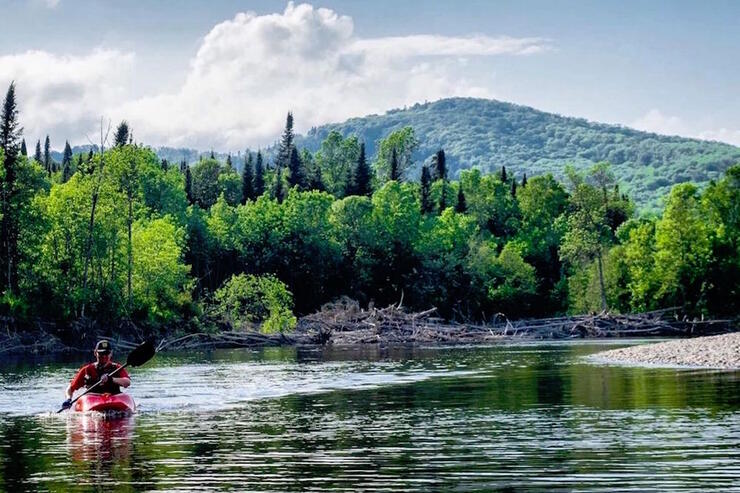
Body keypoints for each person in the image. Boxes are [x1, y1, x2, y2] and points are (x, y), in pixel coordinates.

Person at [61, 340, 131, 410]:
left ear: (111, 354)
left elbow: (127, 382)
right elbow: (70, 388)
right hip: (92, 399)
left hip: (113, 397)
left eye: (106, 353)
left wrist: (111, 379)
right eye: (101, 353)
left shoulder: (117, 368)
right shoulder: (87, 370)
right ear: (95, 353)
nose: (104, 356)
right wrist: (68, 399)